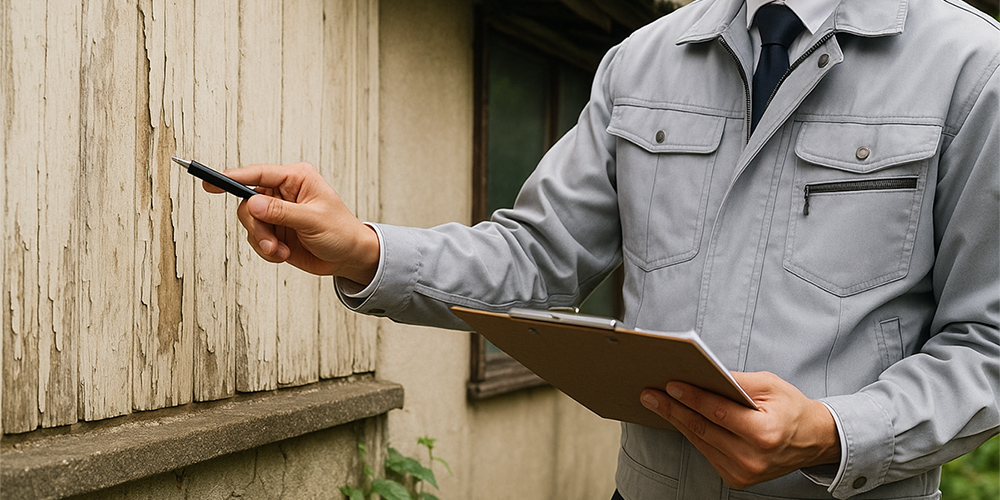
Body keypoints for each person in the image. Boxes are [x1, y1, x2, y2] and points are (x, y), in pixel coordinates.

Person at [208, 0, 999, 498]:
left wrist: (831, 430)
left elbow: (987, 347)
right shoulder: (644, 61)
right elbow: (536, 259)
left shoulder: (971, 69)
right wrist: (363, 250)